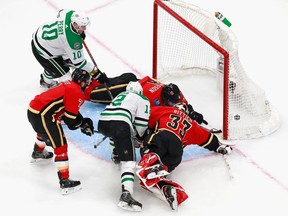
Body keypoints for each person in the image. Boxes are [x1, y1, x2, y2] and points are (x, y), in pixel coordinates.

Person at [135, 103, 232, 210]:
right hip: (176, 152)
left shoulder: (166, 110)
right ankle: (163, 184)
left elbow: (143, 115)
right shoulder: (192, 124)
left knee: (149, 146)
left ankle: (152, 164)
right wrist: (219, 147)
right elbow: (208, 139)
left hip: (163, 137)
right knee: (156, 173)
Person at [27, 68, 95, 195]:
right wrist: (82, 124)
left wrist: (81, 122)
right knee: (60, 145)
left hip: (33, 110)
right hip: (42, 116)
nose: (87, 84)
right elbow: (70, 121)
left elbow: (69, 109)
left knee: (44, 131)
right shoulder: (77, 92)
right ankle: (65, 182)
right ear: (81, 82)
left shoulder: (68, 84)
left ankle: (38, 152)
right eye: (86, 82)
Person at [97, 81, 150, 212]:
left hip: (102, 122)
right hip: (120, 124)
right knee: (129, 162)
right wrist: (141, 139)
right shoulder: (142, 98)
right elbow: (141, 126)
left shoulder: (120, 95)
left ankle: (116, 153)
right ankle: (126, 194)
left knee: (116, 135)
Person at [31, 9, 108, 88]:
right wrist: (98, 74)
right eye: (82, 26)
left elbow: (61, 11)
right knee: (68, 80)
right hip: (42, 50)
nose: (84, 29)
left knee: (57, 66)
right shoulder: (72, 41)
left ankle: (48, 75)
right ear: (74, 24)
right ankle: (47, 82)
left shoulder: (69, 14)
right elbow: (81, 63)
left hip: (42, 34)